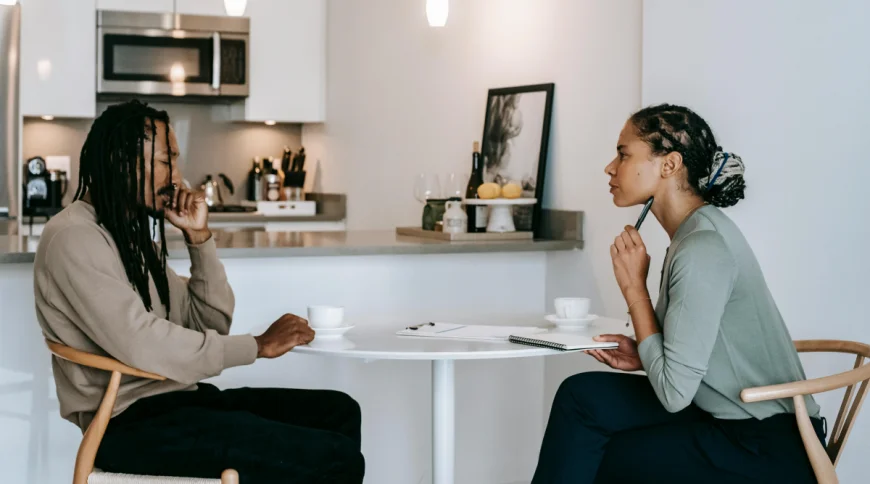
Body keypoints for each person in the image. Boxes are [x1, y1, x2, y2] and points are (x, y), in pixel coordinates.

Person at [34, 100, 364, 483]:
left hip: (179, 402)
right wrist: (256, 345)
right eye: (166, 160)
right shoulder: (75, 237)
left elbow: (209, 323)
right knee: (335, 458)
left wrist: (198, 238)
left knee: (339, 411)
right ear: (122, 161)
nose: (178, 176)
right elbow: (145, 344)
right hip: (129, 425)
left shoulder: (129, 234)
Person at [531, 104, 825, 483]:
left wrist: (634, 290)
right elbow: (694, 355)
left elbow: (673, 394)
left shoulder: (702, 247)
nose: (610, 167)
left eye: (623, 154)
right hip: (727, 415)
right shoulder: (694, 233)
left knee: (606, 454)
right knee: (582, 397)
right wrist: (644, 355)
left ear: (669, 165)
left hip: (767, 443)